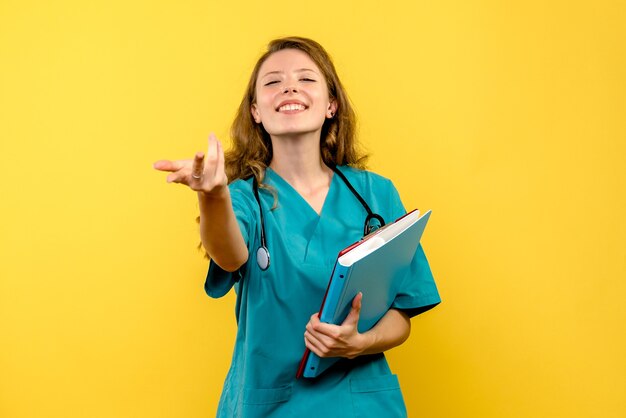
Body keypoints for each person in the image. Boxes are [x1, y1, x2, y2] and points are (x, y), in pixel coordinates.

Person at [154, 36, 440, 418]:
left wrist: (361, 341)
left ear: (331, 104)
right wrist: (212, 194)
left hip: (361, 405)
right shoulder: (243, 198)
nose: (289, 86)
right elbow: (228, 254)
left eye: (306, 79)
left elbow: (403, 312)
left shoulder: (375, 194)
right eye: (272, 82)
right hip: (270, 405)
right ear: (256, 111)